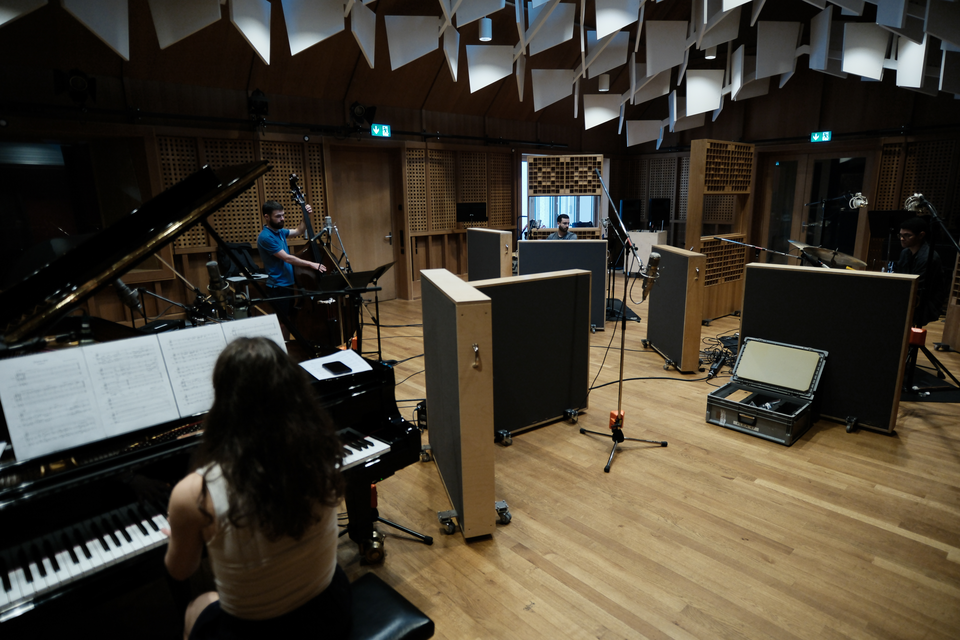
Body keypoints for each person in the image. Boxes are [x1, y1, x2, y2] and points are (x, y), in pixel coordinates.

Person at [163, 337, 350, 639]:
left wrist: (181, 531)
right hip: (330, 610)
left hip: (255, 632)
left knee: (198, 605)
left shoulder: (194, 493)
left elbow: (180, 571)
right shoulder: (321, 451)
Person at [256, 201, 327, 320]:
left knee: (289, 319)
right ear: (267, 217)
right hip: (278, 287)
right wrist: (311, 264)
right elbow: (287, 258)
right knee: (283, 322)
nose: (282, 219)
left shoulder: (279, 232)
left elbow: (299, 230)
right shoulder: (266, 237)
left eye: (283, 215)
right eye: (278, 216)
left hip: (288, 284)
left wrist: (306, 215)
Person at [895, 216, 945, 327]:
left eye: (907, 235)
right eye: (900, 235)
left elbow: (918, 286)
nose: (902, 239)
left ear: (921, 235)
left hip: (925, 303)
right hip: (909, 296)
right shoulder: (905, 253)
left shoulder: (929, 257)